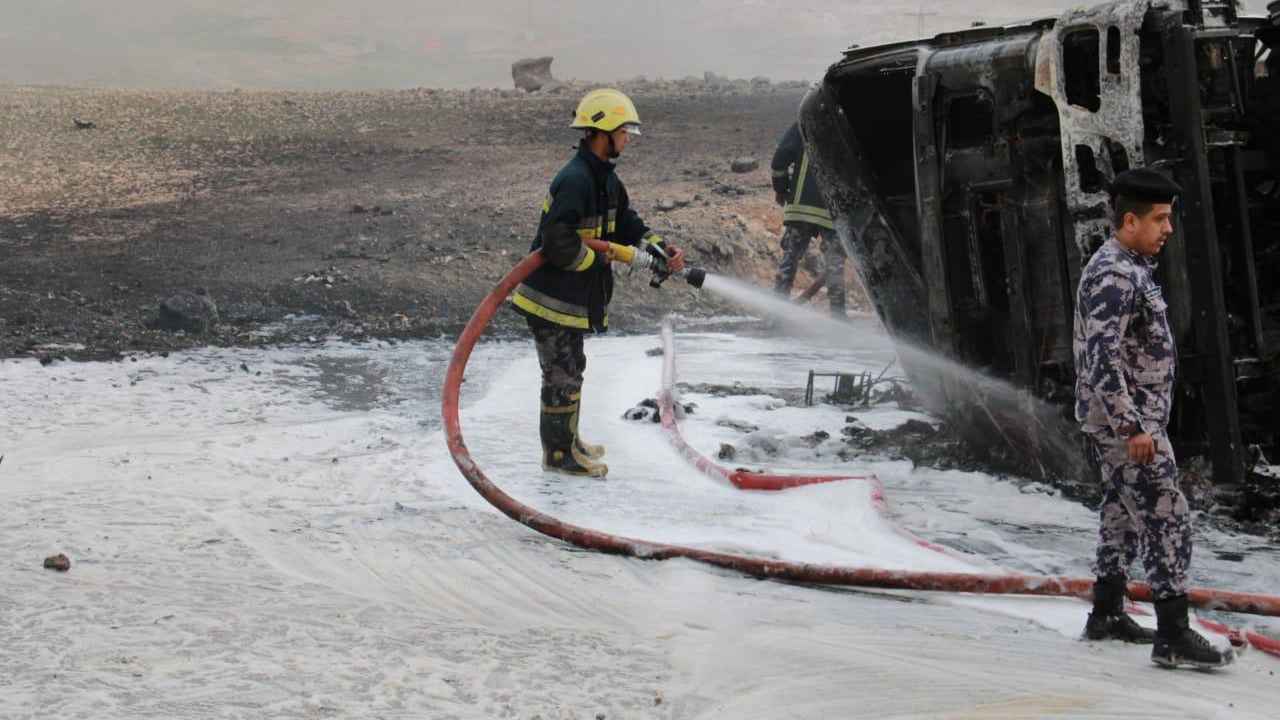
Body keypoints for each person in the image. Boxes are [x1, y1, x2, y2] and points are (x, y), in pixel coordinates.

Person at [1073, 167, 1232, 669]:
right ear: (1130, 221)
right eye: (1160, 219)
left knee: (1121, 514)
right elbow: (1101, 357)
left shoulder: (1130, 266)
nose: (1168, 229)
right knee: (1168, 516)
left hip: (1130, 421)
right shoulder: (1116, 274)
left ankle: (1106, 612)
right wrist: (1133, 427)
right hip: (1128, 425)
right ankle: (1173, 634)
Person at [511, 88, 684, 478]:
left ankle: (569, 441)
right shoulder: (576, 180)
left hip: (571, 300)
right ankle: (558, 455)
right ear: (603, 132)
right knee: (561, 376)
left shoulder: (605, 179)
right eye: (624, 132)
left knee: (573, 369)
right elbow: (557, 240)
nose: (627, 139)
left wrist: (658, 248)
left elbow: (626, 223)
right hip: (551, 301)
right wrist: (599, 258)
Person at [769, 121, 846, 317]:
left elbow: (779, 160)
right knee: (835, 264)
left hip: (801, 207)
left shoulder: (805, 122)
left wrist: (781, 189)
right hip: (833, 210)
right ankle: (839, 318)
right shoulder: (846, 126)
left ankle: (777, 314)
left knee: (790, 258)